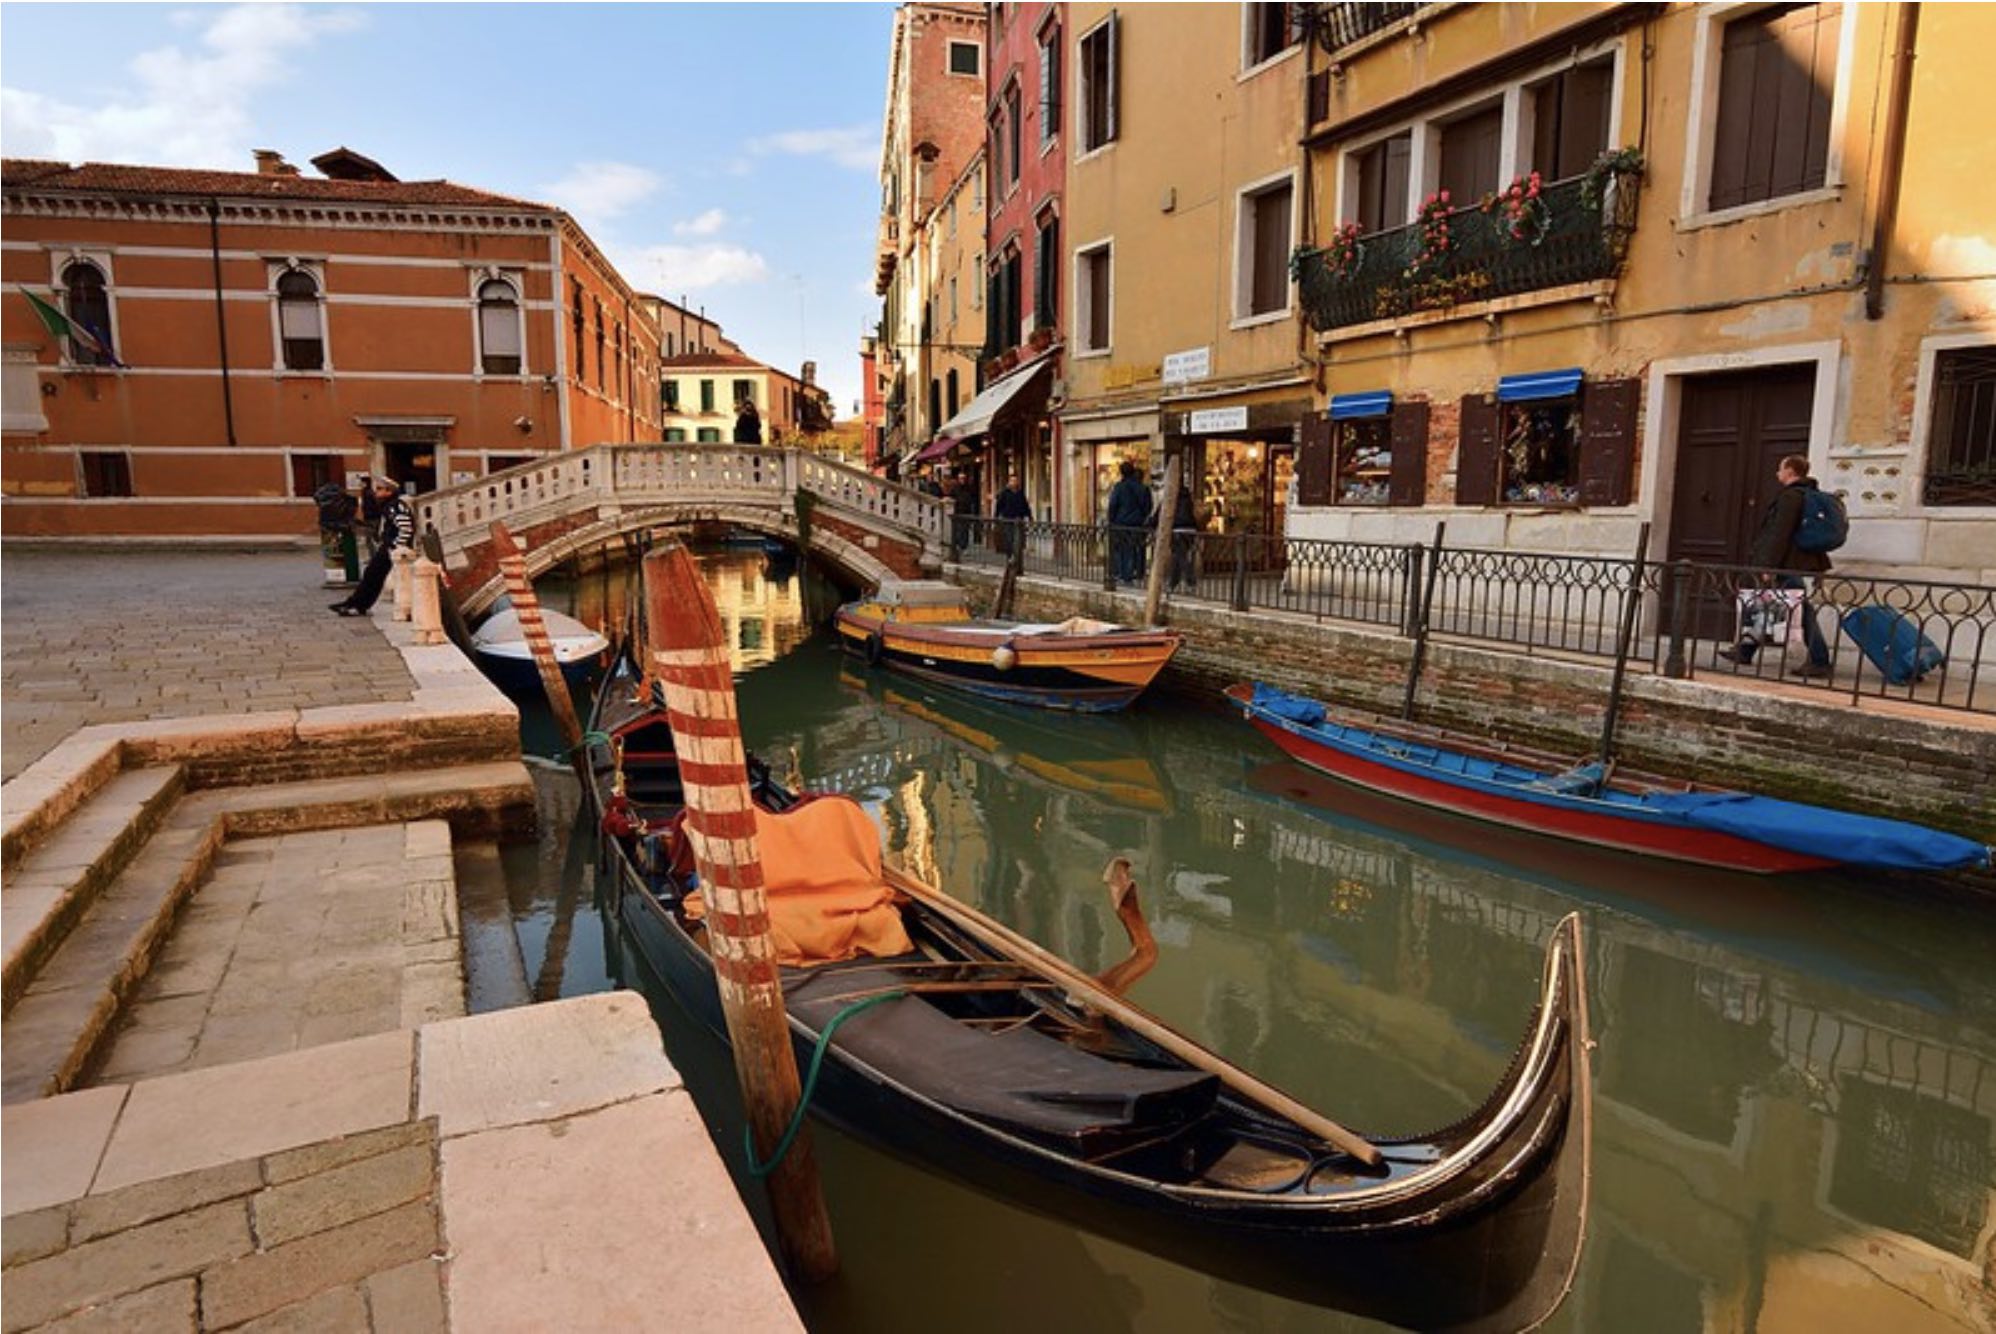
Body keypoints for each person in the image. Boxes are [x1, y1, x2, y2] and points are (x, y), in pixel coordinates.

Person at [1719, 453, 1833, 677]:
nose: (1777, 473)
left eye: (1780, 469)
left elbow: (1779, 534)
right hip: (1796, 561)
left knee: (1800, 611)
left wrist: (1767, 566)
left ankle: (1820, 661)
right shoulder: (1809, 495)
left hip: (1786, 563)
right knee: (1771, 605)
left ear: (1790, 471)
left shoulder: (1791, 497)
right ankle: (1745, 650)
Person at [329, 478, 414, 617]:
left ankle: (357, 605)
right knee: (372, 575)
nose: (376, 492)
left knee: (373, 575)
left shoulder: (395, 506)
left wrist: (395, 547)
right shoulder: (390, 505)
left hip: (391, 548)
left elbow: (406, 528)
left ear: (389, 491)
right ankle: (355, 603)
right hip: (388, 546)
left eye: (380, 489)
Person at [1105, 460, 1153, 585]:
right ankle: (1138, 572)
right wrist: (1142, 517)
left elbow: (1113, 505)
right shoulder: (1143, 488)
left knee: (1123, 549)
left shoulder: (1119, 487)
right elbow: (1148, 506)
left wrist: (1111, 520)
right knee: (1138, 547)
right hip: (1138, 523)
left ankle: (1125, 575)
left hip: (1121, 523)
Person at [1167, 482, 1198, 592]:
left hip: (1177, 529)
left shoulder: (1171, 499)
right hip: (1190, 530)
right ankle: (1172, 583)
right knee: (1179, 556)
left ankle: (1190, 581)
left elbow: (1161, 513)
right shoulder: (1189, 501)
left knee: (1181, 557)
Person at [993, 471, 1031, 556]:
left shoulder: (1020, 493)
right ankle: (1010, 556)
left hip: (1018, 519)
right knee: (1009, 539)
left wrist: (1029, 516)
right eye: (1012, 481)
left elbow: (1025, 504)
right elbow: (999, 505)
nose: (1014, 483)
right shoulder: (1004, 493)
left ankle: (1016, 557)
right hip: (1008, 519)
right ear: (1009, 482)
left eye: (1015, 481)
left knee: (1018, 540)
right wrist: (996, 517)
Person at [948, 472, 976, 559]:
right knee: (959, 530)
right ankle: (959, 546)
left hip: (966, 512)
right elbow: (950, 498)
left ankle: (964, 547)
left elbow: (973, 499)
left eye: (963, 478)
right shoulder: (954, 489)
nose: (962, 480)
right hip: (958, 512)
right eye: (961, 478)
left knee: (965, 530)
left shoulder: (969, 488)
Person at [357, 474, 382, 559]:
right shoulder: (368, 492)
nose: (360, 484)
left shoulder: (368, 493)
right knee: (375, 537)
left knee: (370, 539)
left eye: (361, 482)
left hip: (372, 518)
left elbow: (374, 505)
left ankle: (374, 557)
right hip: (371, 518)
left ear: (365, 483)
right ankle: (377, 556)